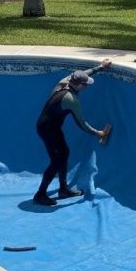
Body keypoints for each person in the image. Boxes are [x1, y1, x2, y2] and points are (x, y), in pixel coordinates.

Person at [33, 59, 112, 206]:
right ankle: (40, 194)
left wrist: (101, 67)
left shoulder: (67, 80)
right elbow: (82, 124)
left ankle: (63, 189)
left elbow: (85, 74)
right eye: (85, 85)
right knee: (56, 161)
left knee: (64, 153)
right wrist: (98, 133)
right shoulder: (71, 100)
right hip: (47, 129)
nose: (86, 87)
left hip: (52, 127)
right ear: (79, 85)